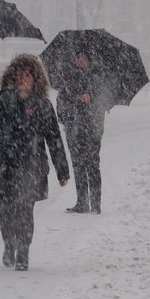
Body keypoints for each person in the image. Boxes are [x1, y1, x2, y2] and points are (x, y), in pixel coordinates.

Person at [0, 54, 70, 271]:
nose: (22, 79)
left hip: (31, 167)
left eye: (27, 75)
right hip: (2, 167)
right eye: (19, 75)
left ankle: (24, 252)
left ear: (35, 78)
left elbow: (54, 138)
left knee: (25, 211)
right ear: (12, 77)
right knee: (4, 212)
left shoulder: (43, 105)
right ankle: (9, 244)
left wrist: (62, 170)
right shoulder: (1, 100)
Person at [56, 51, 110, 215]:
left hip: (92, 129)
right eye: (77, 58)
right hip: (74, 129)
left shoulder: (97, 78)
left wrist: (91, 97)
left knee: (92, 165)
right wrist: (72, 108)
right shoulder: (68, 79)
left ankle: (95, 204)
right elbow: (61, 104)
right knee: (78, 166)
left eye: (82, 59)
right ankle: (82, 203)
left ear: (89, 60)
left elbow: (105, 101)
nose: (79, 61)